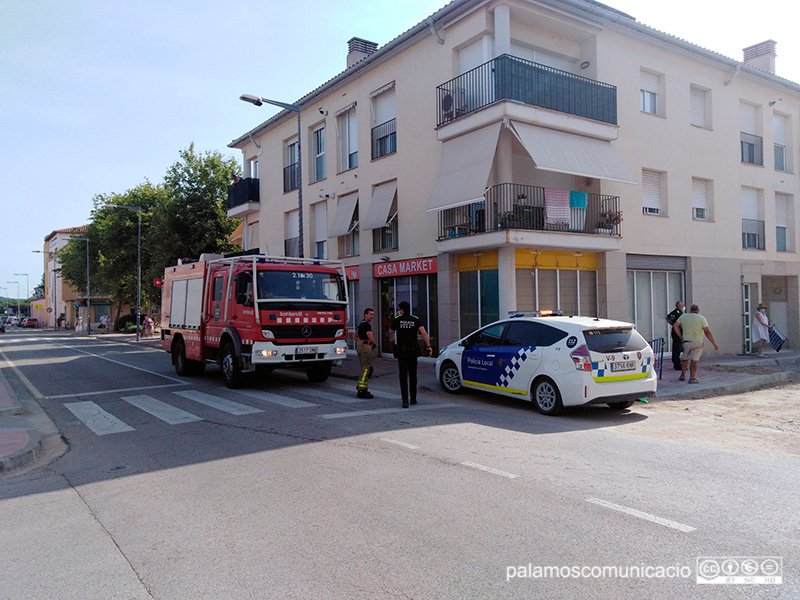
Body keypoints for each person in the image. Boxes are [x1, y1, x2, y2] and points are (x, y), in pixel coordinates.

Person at [389, 301, 432, 408]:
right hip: (413, 352)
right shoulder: (415, 319)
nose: (398, 311)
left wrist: (396, 318)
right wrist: (429, 346)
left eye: (399, 309)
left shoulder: (398, 319)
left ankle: (405, 400)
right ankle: (413, 398)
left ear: (402, 310)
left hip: (402, 352)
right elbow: (424, 333)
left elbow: (390, 332)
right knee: (413, 375)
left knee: (403, 376)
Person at [673, 304, 719, 384]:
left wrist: (680, 335)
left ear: (690, 310)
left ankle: (683, 374)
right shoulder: (701, 318)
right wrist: (714, 344)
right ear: (698, 310)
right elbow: (707, 332)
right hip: (697, 342)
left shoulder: (684, 317)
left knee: (684, 359)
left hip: (686, 342)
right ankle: (692, 378)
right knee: (694, 361)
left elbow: (675, 325)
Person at [355, 308, 376, 399]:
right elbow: (369, 335)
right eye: (370, 314)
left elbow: (355, 335)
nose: (372, 316)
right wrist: (374, 343)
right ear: (365, 314)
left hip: (360, 346)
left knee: (364, 367)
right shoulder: (367, 325)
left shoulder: (360, 323)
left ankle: (360, 386)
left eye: (373, 314)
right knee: (366, 368)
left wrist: (357, 344)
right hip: (365, 346)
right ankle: (362, 389)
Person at [665, 300, 685, 370]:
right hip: (677, 331)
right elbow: (680, 323)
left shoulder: (674, 312)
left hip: (674, 331)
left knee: (675, 348)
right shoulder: (679, 313)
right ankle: (677, 365)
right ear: (680, 306)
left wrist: (672, 324)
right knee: (678, 349)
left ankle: (676, 363)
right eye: (683, 305)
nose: (683, 307)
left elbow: (667, 318)